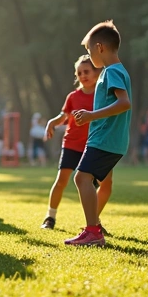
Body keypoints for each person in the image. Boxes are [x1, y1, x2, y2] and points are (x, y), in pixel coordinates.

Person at [66, 21, 132, 247]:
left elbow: (124, 103)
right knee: (86, 179)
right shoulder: (115, 71)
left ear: (100, 48)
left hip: (105, 139)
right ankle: (93, 228)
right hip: (109, 140)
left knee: (81, 178)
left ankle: (93, 232)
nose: (89, 55)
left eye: (89, 51)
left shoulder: (112, 72)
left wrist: (92, 115)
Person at [41, 55, 111, 230]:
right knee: (61, 181)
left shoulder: (102, 96)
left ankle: (94, 221)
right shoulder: (73, 96)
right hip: (72, 144)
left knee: (104, 185)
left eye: (86, 71)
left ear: (96, 73)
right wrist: (52, 122)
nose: (83, 75)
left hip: (94, 145)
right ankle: (50, 217)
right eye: (79, 73)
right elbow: (63, 116)